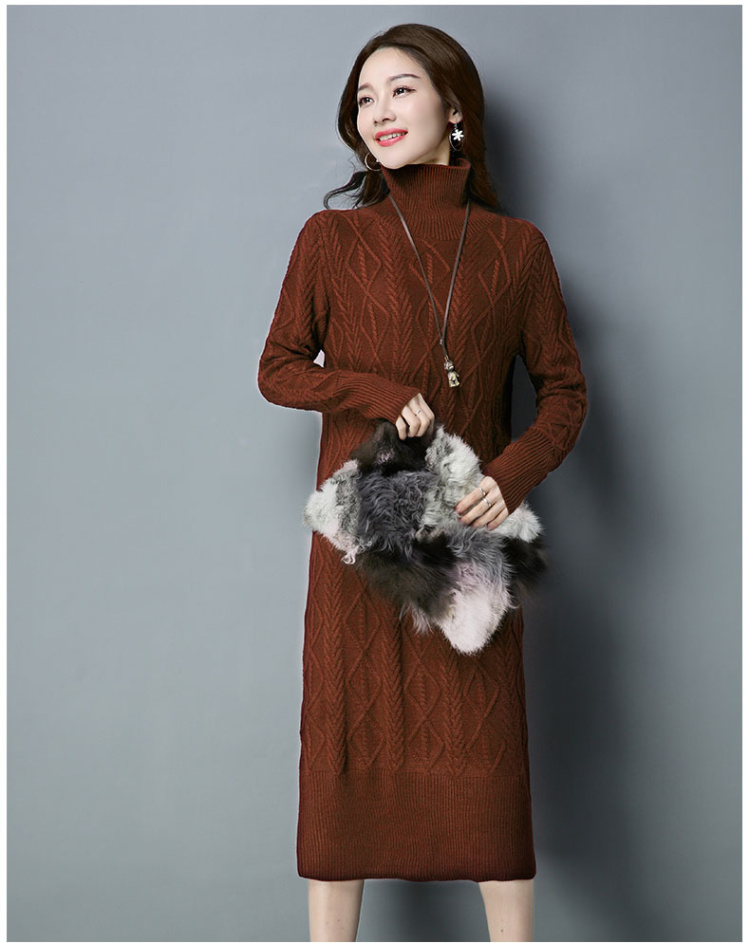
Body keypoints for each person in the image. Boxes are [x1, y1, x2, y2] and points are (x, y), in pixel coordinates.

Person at [257, 23, 588, 943]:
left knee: (487, 786)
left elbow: (565, 392)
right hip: (360, 550)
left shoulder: (518, 250)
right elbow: (277, 367)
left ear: (455, 109)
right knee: (343, 785)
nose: (380, 112)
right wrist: (372, 391)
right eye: (364, 100)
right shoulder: (330, 238)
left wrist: (511, 475)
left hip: (463, 553)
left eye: (400, 89)